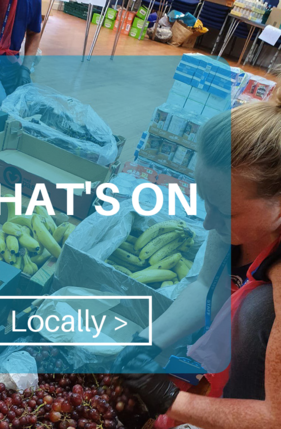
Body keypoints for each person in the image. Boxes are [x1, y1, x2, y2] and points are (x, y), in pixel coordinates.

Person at [113, 84, 281, 428]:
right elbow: (208, 286)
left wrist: (168, 398)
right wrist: (147, 342)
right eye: (206, 200)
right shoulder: (231, 224)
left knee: (257, 309)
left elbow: (274, 416)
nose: (207, 222)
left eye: (226, 212)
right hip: (219, 372)